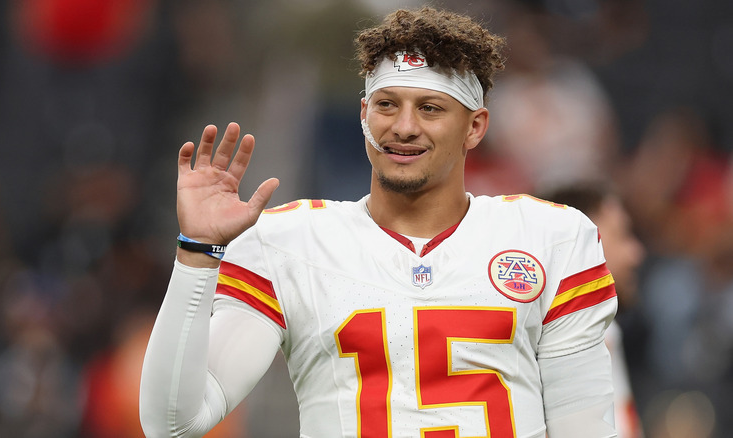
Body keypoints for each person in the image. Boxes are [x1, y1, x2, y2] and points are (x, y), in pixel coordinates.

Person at [139, 7, 619, 438]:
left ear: (475, 126)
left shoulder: (552, 239)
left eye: (430, 108)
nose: (404, 126)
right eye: (388, 104)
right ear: (364, 113)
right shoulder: (287, 242)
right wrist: (197, 251)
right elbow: (172, 424)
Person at [541, 183, 645, 438]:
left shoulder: (606, 331)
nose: (636, 254)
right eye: (622, 235)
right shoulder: (559, 345)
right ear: (580, 243)